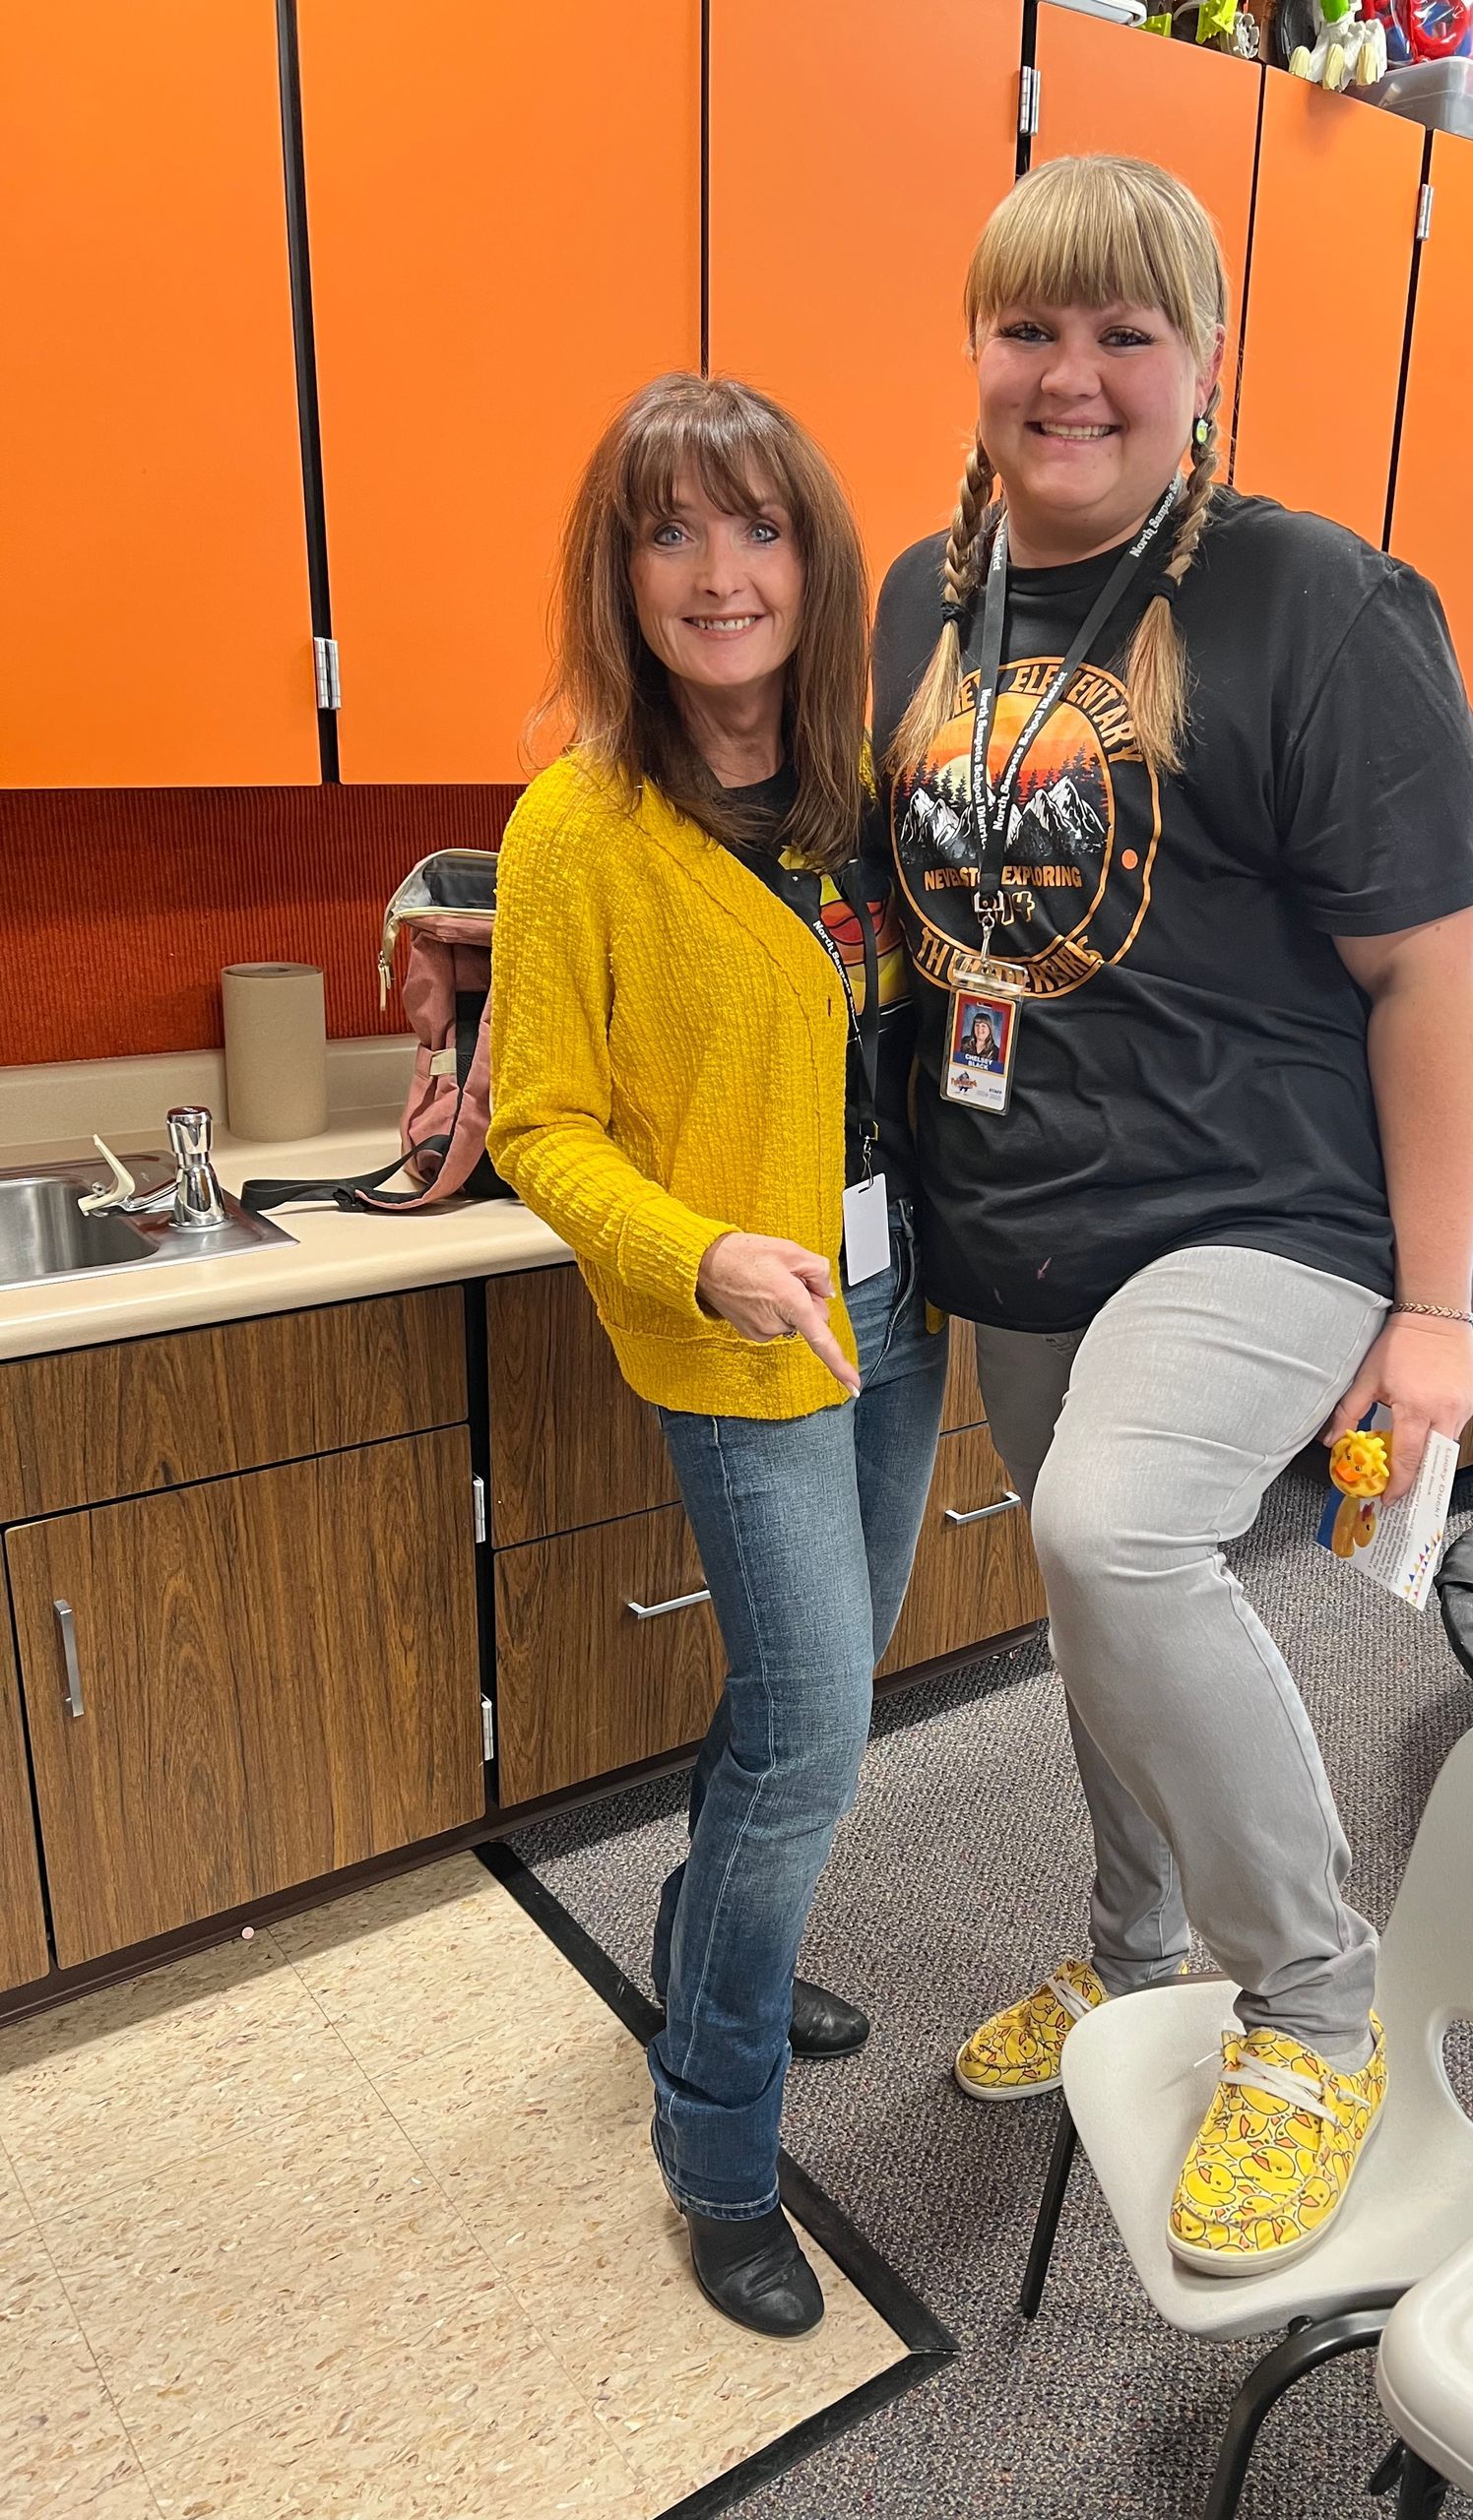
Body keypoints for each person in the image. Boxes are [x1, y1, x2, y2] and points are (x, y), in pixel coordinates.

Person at [874, 157, 1473, 2273]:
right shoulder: (917, 601)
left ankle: (1316, 1999)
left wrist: (1438, 1310)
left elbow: (1429, 972)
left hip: (1262, 1207)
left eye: (1126, 331)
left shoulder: (1315, 602)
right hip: (1023, 1219)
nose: (1073, 375)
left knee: (1111, 1529)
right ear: (974, 353)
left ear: (1204, 363)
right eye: (1029, 328)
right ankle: (1131, 1950)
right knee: (1103, 1611)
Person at [490, 372, 945, 2338]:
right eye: (670, 529)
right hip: (736, 1337)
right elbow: (541, 1123)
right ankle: (719, 2136)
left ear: (811, 557)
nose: (718, 570)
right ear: (622, 570)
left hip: (899, 1308)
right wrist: (703, 1251)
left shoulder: (861, 786)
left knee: (800, 1703)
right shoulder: (579, 825)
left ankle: (702, 1954)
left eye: (756, 525)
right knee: (815, 1734)